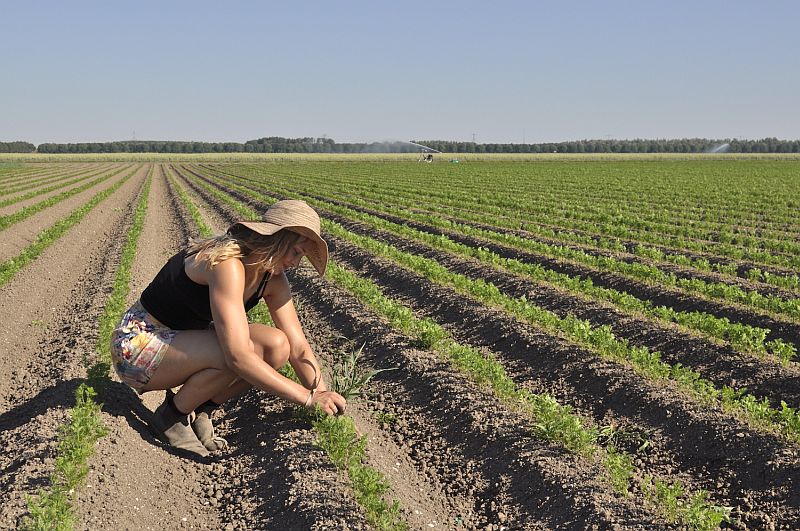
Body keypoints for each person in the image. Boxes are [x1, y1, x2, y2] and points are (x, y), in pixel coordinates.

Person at [110, 199, 347, 457]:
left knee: (276, 346)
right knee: (237, 350)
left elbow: (298, 346)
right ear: (278, 240)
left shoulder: (273, 279)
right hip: (137, 346)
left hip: (180, 343)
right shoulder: (227, 263)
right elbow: (237, 355)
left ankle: (204, 409)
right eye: (297, 252)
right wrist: (307, 398)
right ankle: (171, 417)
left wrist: (322, 393)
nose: (296, 263)